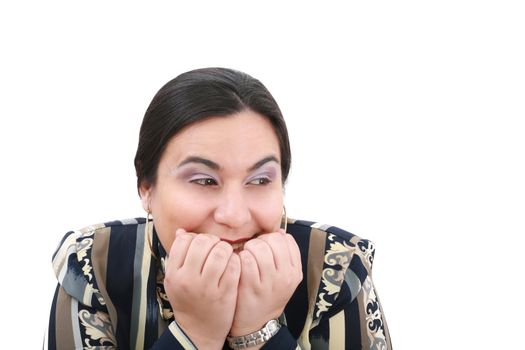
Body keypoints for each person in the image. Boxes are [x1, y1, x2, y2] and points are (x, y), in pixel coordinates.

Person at [46, 67, 392, 349]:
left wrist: (258, 333)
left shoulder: (336, 268)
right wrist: (195, 333)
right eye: (203, 180)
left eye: (259, 180)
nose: (235, 215)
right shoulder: (92, 267)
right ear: (146, 187)